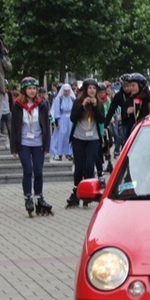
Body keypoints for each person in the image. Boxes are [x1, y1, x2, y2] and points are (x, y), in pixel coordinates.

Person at [10, 77, 53, 217]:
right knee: (28, 170)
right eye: (29, 88)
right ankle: (28, 198)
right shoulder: (18, 106)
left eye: (34, 88)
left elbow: (46, 126)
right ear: (24, 90)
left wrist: (47, 145)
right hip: (23, 143)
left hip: (38, 143)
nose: (32, 91)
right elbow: (14, 127)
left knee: (39, 172)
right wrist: (14, 147)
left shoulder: (42, 105)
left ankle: (39, 197)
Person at [66, 78, 105, 208]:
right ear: (85, 90)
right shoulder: (77, 102)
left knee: (89, 166)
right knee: (79, 166)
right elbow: (73, 118)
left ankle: (88, 194)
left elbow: (101, 120)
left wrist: (94, 106)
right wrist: (83, 106)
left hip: (93, 139)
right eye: (90, 88)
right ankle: (76, 192)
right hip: (79, 138)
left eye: (94, 88)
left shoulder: (99, 103)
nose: (92, 90)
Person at [49, 83, 75, 161]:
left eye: (68, 91)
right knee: (61, 135)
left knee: (70, 135)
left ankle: (70, 153)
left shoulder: (72, 99)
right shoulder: (59, 99)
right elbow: (57, 110)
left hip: (70, 119)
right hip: (62, 119)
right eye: (65, 91)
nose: (66, 93)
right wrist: (57, 122)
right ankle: (58, 153)